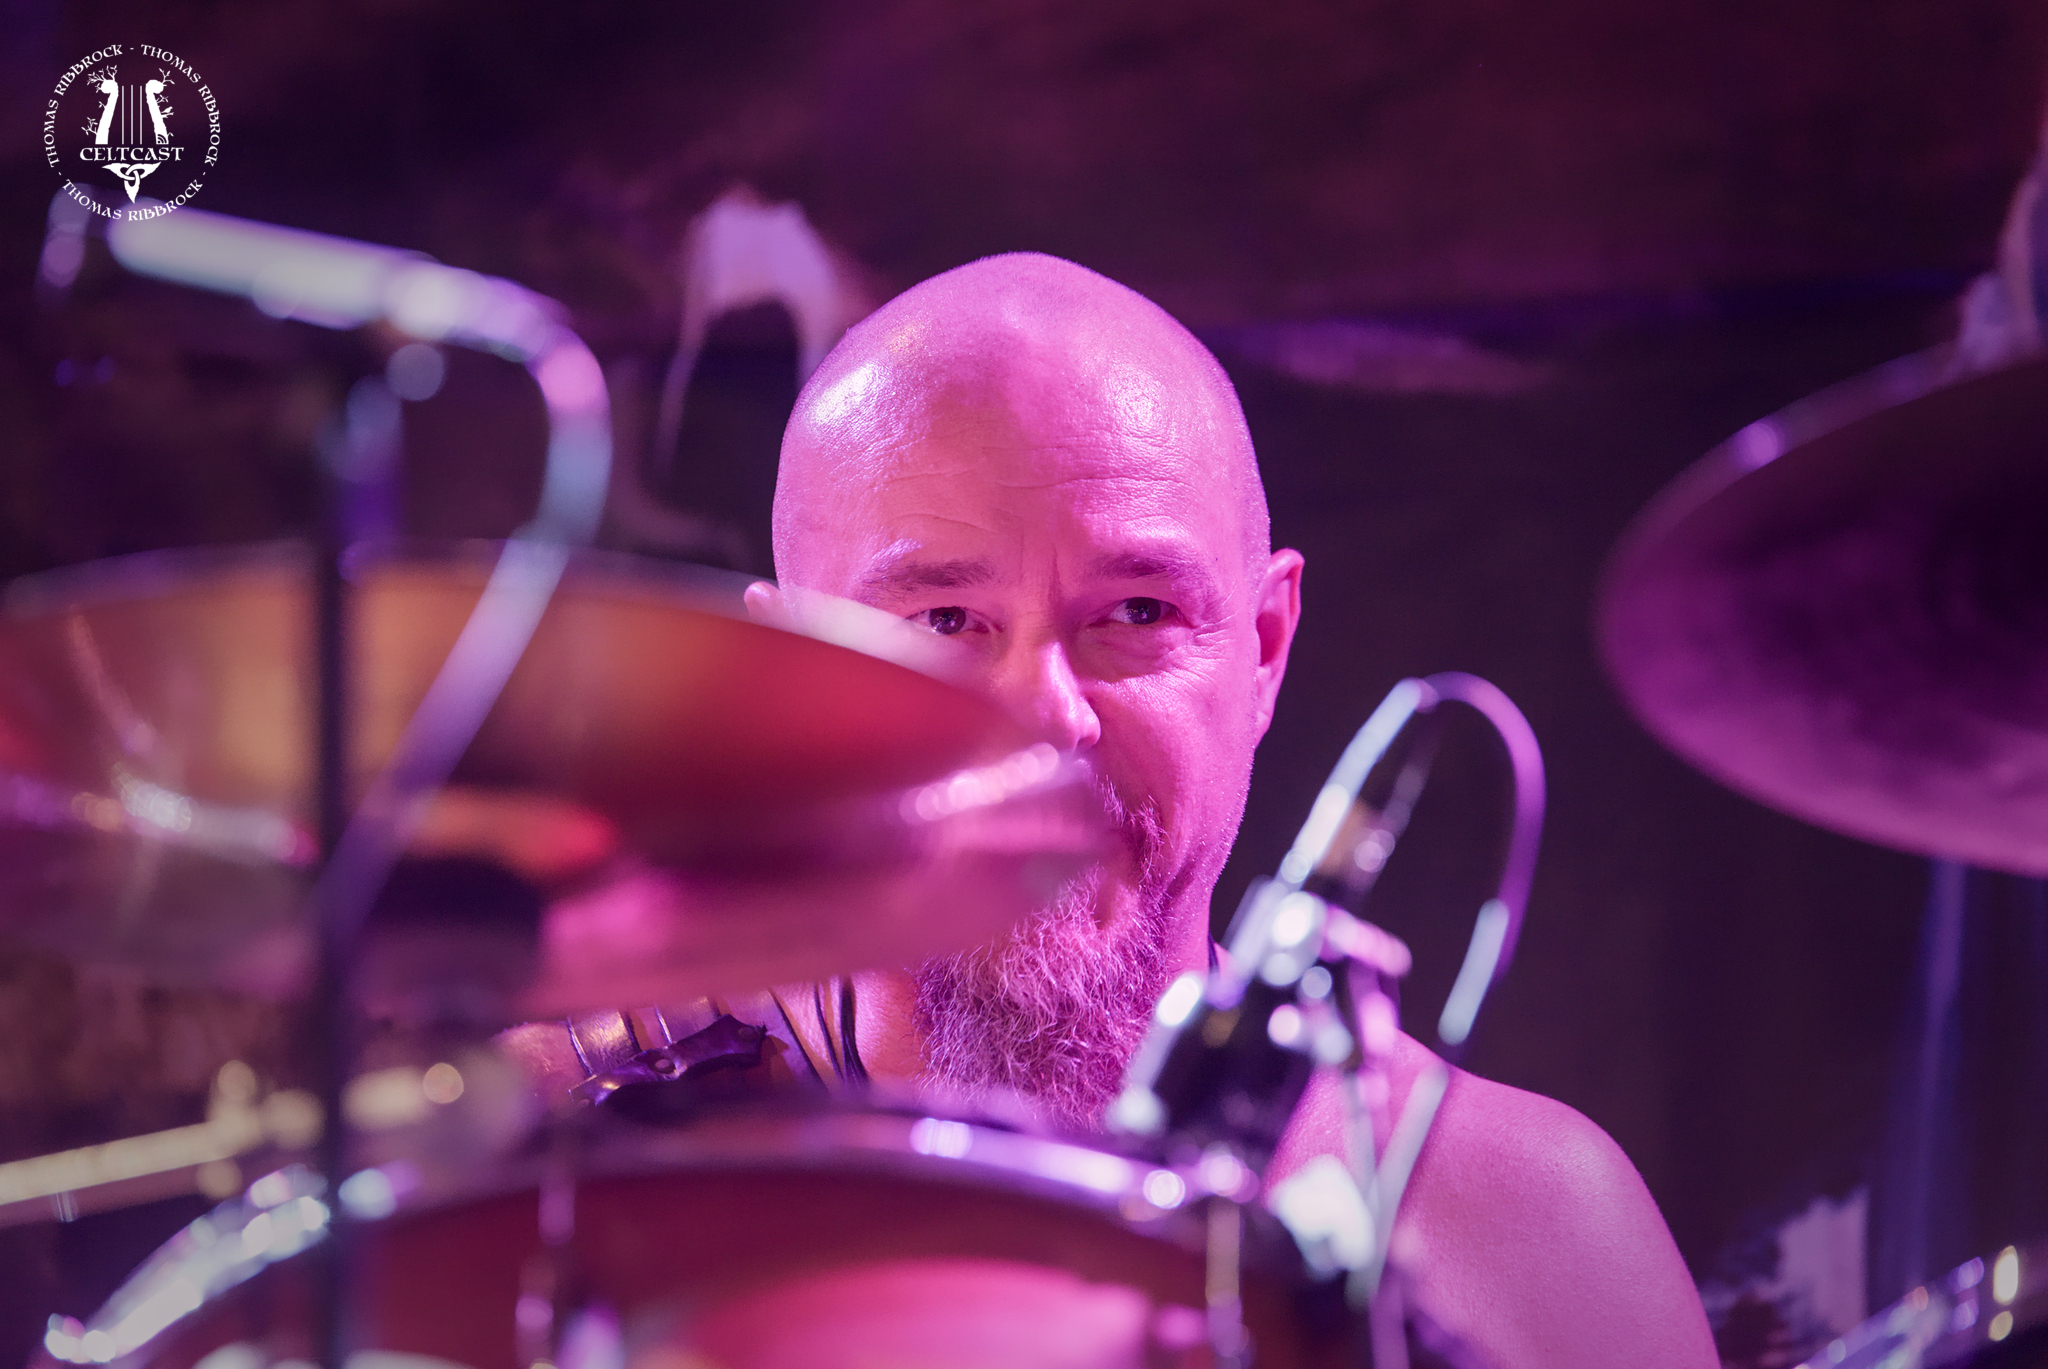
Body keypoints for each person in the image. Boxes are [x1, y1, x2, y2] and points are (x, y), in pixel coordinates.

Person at [510, 252, 1721, 1367]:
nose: (1049, 715)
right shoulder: (548, 1192)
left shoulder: (1525, 1229)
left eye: (1137, 612)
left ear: (1262, 647)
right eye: (941, 622)